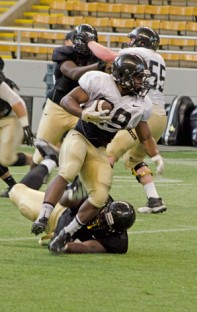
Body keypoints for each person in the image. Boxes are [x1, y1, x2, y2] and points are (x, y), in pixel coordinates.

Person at [31, 53, 164, 252]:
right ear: (124, 76)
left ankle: (66, 233)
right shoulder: (100, 81)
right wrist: (83, 113)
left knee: (100, 196)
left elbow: (144, 136)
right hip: (80, 135)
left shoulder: (141, 104)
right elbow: (68, 100)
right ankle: (43, 215)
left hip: (99, 148)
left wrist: (156, 156)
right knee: (68, 170)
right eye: (137, 77)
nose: (141, 82)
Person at [77, 26, 167, 214]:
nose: (130, 43)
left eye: (133, 40)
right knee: (134, 160)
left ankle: (89, 194)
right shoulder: (159, 58)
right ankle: (154, 199)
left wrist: (89, 42)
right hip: (160, 115)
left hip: (141, 111)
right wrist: (156, 155)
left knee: (108, 154)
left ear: (140, 42)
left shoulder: (137, 53)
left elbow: (109, 57)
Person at [9, 139, 136, 254]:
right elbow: (65, 202)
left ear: (116, 231)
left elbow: (89, 247)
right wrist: (72, 195)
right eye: (103, 214)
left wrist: (65, 247)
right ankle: (50, 161)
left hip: (63, 231)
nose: (100, 219)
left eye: (104, 222)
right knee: (16, 192)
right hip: (60, 213)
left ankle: (53, 160)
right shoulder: (99, 199)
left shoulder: (117, 242)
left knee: (18, 194)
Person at [31, 23, 108, 170]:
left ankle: (83, 188)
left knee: (91, 149)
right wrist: (99, 66)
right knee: (40, 152)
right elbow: (73, 73)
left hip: (81, 110)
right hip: (57, 108)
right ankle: (28, 187)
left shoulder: (97, 57)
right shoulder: (64, 52)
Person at [0, 57, 34, 197]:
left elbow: (17, 101)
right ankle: (13, 187)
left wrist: (25, 126)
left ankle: (40, 161)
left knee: (6, 159)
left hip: (10, 120)